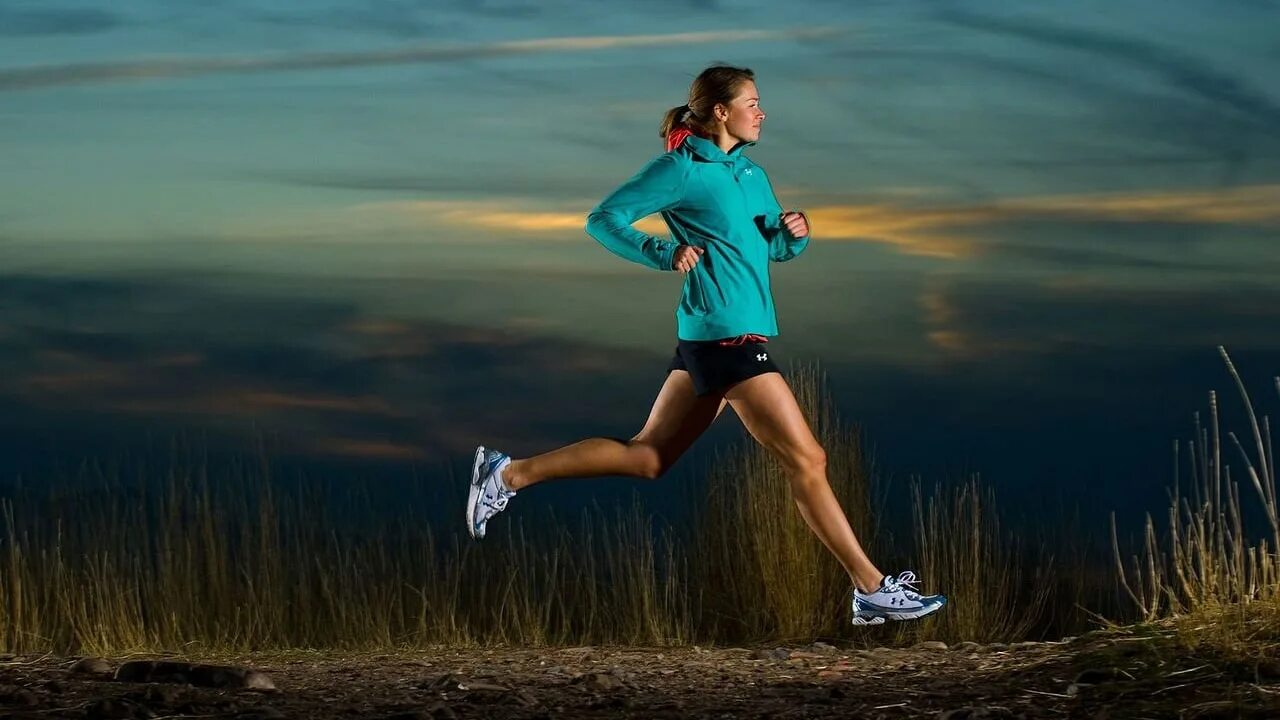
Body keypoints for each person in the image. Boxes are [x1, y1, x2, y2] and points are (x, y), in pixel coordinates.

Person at [467, 65, 946, 625]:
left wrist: (794, 235)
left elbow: (766, 250)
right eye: (753, 102)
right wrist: (662, 253)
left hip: (725, 333)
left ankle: (506, 474)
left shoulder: (752, 175)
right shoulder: (679, 169)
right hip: (725, 337)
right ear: (722, 111)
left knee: (647, 457)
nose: (762, 112)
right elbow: (604, 219)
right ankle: (870, 588)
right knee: (807, 458)